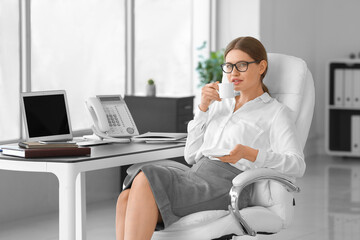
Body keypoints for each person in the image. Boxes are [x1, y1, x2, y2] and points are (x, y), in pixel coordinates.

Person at [115, 36, 305, 240]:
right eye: (229, 66)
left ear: (261, 67)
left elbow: (297, 164)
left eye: (241, 65)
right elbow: (190, 156)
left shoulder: (275, 112)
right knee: (125, 198)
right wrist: (203, 108)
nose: (233, 73)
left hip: (228, 184)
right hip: (196, 176)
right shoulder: (219, 105)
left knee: (145, 177)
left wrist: (250, 154)